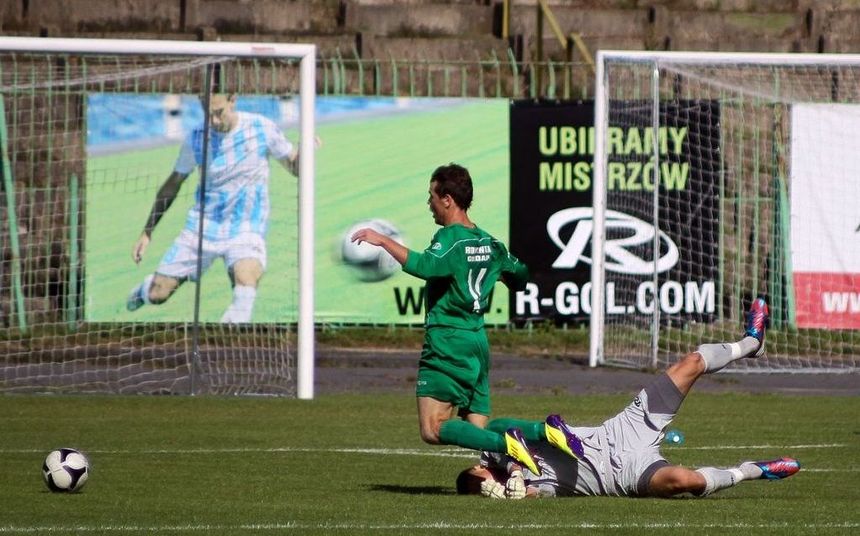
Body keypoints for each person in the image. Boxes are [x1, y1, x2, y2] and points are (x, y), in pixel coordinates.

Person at [350, 163, 583, 475]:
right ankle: (545, 431)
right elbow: (521, 276)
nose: (429, 204)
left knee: (433, 428)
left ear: (447, 199)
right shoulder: (490, 243)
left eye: (431, 196)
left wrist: (384, 241)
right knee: (482, 433)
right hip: (477, 343)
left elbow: (426, 266)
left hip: (448, 342)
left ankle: (511, 445)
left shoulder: (450, 239)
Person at [456, 296, 801, 499]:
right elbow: (531, 494)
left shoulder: (493, 450)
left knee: (691, 363)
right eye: (484, 491)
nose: (489, 488)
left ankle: (750, 344)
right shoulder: (519, 489)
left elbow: (500, 424)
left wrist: (515, 461)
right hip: (621, 478)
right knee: (686, 481)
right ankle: (753, 471)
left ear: (478, 469)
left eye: (482, 484)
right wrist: (514, 490)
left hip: (619, 432)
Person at [126, 93, 307, 323]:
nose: (213, 121)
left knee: (245, 286)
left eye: (218, 113)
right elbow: (173, 184)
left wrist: (306, 150)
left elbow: (295, 167)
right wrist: (147, 231)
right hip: (202, 229)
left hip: (246, 228)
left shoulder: (261, 128)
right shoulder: (196, 138)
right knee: (158, 294)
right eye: (207, 114)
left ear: (232, 100)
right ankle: (145, 290)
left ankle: (226, 350)